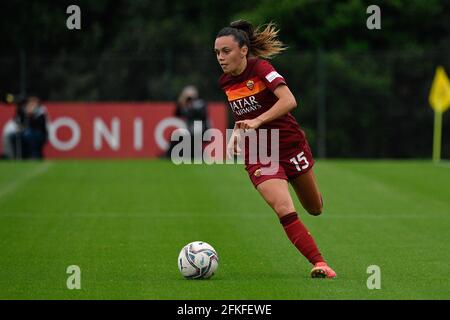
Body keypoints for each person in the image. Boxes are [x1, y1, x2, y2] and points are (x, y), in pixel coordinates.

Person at [215, 20, 337, 278]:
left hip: (291, 145)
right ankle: (320, 263)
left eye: (226, 51)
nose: (221, 58)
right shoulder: (225, 82)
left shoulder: (262, 68)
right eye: (217, 53)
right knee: (283, 207)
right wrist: (235, 134)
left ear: (244, 50)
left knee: (314, 208)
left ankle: (295, 180)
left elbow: (289, 100)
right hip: (259, 151)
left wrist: (258, 121)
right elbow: (243, 113)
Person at [166, 85, 210, 158]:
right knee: (175, 136)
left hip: (201, 129)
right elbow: (177, 114)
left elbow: (200, 115)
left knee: (192, 141)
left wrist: (190, 106)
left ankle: (196, 155)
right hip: (190, 130)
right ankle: (169, 155)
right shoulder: (184, 105)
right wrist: (182, 102)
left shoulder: (200, 104)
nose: (190, 99)